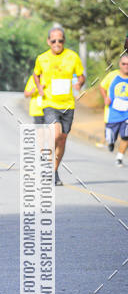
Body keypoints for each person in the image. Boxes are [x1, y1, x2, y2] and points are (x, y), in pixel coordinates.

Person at [33, 25, 85, 186]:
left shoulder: (72, 56)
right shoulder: (42, 58)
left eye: (60, 40)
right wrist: (40, 87)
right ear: (48, 41)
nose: (57, 43)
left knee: (62, 139)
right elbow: (36, 74)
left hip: (68, 104)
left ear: (64, 41)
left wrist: (79, 85)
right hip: (50, 103)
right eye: (54, 40)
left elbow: (81, 76)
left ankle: (53, 171)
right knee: (55, 134)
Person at [100, 54, 128, 167]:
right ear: (119, 65)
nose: (126, 66)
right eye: (124, 64)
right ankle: (110, 142)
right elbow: (102, 86)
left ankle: (119, 158)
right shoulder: (112, 76)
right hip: (112, 114)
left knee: (126, 135)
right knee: (110, 137)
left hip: (126, 114)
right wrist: (105, 98)